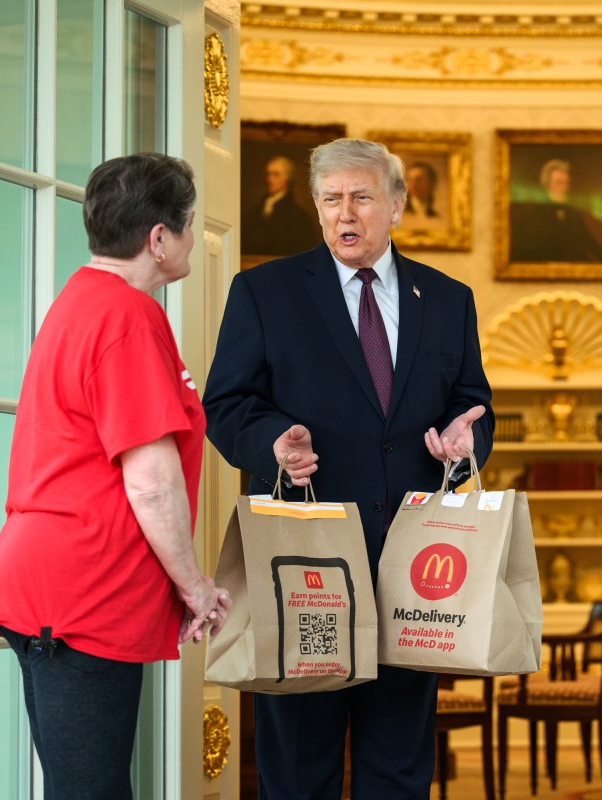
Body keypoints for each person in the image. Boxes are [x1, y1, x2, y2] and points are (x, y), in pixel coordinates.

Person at [202, 138, 494, 799]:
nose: (346, 214)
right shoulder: (264, 292)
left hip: (413, 569)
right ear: (315, 205)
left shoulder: (448, 299)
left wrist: (462, 442)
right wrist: (273, 440)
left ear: (396, 204)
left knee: (398, 763)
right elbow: (226, 404)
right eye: (331, 199)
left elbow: (472, 405)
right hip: (306, 563)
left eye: (362, 197)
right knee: (300, 767)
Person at [0, 153, 231, 799]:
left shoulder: (81, 300)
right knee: (91, 790)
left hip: (52, 586)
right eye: (187, 226)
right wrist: (196, 586)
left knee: (79, 785)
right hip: (84, 591)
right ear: (158, 238)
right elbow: (150, 477)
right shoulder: (128, 316)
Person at [509, 157, 602, 263]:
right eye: (559, 183)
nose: (564, 188)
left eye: (566, 183)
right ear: (547, 185)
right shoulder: (533, 217)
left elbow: (589, 242)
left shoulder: (573, 215)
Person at [242, 154, 320, 255]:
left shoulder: (298, 216)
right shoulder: (255, 211)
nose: (269, 179)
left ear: (287, 179)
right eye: (268, 174)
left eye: (276, 174)